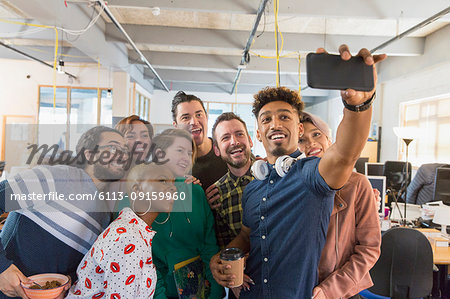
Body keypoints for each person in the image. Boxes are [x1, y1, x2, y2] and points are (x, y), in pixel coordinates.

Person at [210, 45, 386, 298]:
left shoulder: (312, 176)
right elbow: (247, 235)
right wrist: (224, 255)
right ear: (258, 134)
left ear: (299, 130)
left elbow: (345, 154)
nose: (275, 124)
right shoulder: (252, 188)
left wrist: (359, 105)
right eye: (266, 119)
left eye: (284, 117)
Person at [0, 126, 129, 298]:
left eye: (126, 150)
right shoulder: (59, 177)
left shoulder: (104, 214)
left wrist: (68, 281)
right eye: (113, 147)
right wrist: (2, 268)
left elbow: (79, 266)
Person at [298, 112, 381, 299]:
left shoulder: (358, 184)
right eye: (301, 140)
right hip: (301, 289)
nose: (310, 143)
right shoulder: (295, 186)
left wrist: (329, 290)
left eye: (316, 135)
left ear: (329, 139)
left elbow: (369, 249)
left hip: (342, 292)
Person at [67, 163, 176, 298]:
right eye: (162, 181)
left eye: (173, 183)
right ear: (137, 190)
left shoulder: (134, 230)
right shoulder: (129, 238)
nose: (173, 188)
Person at [150, 129, 223, 299]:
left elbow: (209, 247)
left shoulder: (195, 192)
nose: (186, 157)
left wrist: (216, 293)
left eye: (189, 153)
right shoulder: (139, 196)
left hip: (200, 290)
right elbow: (144, 261)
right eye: (179, 150)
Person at [209, 112, 254, 249]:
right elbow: (226, 247)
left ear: (250, 141)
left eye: (239, 134)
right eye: (225, 138)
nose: (234, 141)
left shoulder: (273, 176)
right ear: (217, 150)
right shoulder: (217, 194)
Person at [171, 91, 228, 193]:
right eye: (185, 117)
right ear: (176, 126)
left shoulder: (226, 151)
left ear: (206, 117)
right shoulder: (174, 166)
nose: (194, 122)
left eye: (198, 114)